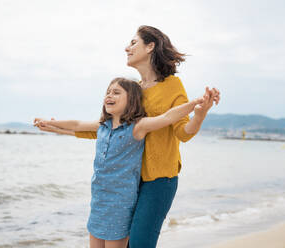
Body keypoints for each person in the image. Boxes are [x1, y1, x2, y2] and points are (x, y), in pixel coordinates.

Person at [75, 25, 220, 247]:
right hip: (128, 183)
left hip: (159, 180)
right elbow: (110, 129)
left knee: (140, 243)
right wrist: (57, 127)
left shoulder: (172, 85)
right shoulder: (133, 89)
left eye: (133, 43)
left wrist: (199, 115)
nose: (127, 48)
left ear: (150, 46)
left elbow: (184, 132)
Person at [34, 77, 216, 248]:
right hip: (98, 202)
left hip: (120, 205)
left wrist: (195, 104)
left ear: (131, 100)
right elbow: (76, 125)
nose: (109, 95)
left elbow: (167, 117)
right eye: (108, 92)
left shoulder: (137, 127)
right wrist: (50, 124)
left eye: (116, 92)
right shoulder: (102, 126)